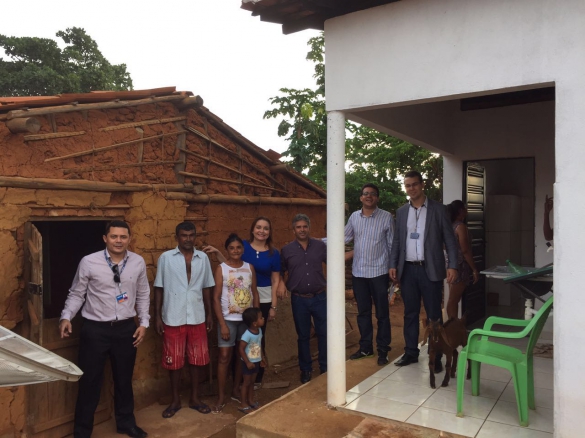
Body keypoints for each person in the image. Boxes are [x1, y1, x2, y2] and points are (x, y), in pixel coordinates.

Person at [59, 220, 150, 438]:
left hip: (126, 329)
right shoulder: (89, 262)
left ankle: (126, 423)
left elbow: (143, 294)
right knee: (90, 381)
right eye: (114, 236)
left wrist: (144, 323)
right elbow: (77, 293)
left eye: (123, 237)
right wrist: (66, 316)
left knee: (123, 379)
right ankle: (82, 431)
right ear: (105, 238)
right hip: (95, 330)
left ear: (129, 238)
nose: (119, 241)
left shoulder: (137, 262)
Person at [390, 171, 458, 372]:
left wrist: (452, 265)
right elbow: (396, 242)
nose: (411, 189)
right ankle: (411, 352)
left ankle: (436, 356)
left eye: (414, 184)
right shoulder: (402, 212)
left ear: (422, 185)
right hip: (408, 270)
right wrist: (393, 264)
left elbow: (450, 241)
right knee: (410, 313)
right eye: (407, 185)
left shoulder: (438, 209)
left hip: (431, 270)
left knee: (434, 315)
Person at [204, 216, 280, 388]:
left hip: (260, 302)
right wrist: (217, 254)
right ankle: (234, 384)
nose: (262, 231)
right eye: (258, 227)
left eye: (266, 228)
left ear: (270, 232)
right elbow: (231, 267)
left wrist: (270, 307)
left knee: (256, 341)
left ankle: (253, 380)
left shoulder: (273, 253)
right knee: (232, 349)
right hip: (236, 309)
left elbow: (275, 279)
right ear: (252, 230)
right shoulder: (244, 247)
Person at [154, 222, 215, 418]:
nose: (188, 239)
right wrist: (157, 316)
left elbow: (206, 287)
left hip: (197, 315)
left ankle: (195, 398)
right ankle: (175, 400)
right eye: (183, 235)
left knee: (197, 360)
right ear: (177, 237)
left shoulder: (203, 258)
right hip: (173, 316)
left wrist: (209, 313)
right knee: (174, 361)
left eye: (191, 235)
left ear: (195, 236)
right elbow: (159, 287)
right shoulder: (166, 259)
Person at [344, 183, 394, 366]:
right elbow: (343, 237)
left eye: (373, 194)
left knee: (382, 313)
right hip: (359, 274)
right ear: (361, 197)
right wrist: (317, 241)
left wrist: (392, 268)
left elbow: (391, 246)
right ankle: (366, 348)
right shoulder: (354, 218)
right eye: (365, 194)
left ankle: (383, 349)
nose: (369, 196)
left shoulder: (386, 217)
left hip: (379, 272)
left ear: (377, 198)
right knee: (363, 313)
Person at [212, 234, 260, 413]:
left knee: (243, 357)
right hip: (228, 321)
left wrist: (255, 319)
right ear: (227, 250)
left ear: (243, 249)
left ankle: (236, 389)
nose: (235, 251)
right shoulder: (221, 269)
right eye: (231, 248)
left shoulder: (249, 268)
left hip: (246, 322)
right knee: (224, 357)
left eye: (238, 248)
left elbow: (254, 292)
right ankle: (221, 396)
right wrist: (222, 324)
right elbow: (216, 298)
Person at [278, 214, 327, 383]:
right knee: (303, 336)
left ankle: (325, 366)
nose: (302, 229)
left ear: (309, 227)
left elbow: (334, 263)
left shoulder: (320, 246)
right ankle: (305, 369)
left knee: (323, 333)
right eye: (298, 227)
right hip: (299, 299)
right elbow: (281, 270)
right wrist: (282, 284)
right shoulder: (287, 250)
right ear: (293, 230)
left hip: (320, 297)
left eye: (304, 226)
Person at [445, 200, 479, 319]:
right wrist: (474, 269)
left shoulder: (450, 226)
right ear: (460, 210)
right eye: (465, 208)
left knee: (453, 298)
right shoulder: (460, 227)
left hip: (451, 264)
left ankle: (452, 324)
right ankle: (452, 327)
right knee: (453, 300)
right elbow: (465, 250)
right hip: (460, 266)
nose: (467, 210)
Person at [238, 307, 266, 414]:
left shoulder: (259, 331)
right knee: (246, 382)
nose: (263, 319)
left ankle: (250, 401)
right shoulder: (247, 334)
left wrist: (262, 358)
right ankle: (243, 404)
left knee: (252, 382)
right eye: (261, 318)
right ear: (254, 323)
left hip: (256, 361)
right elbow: (241, 348)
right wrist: (247, 362)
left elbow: (259, 345)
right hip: (248, 363)